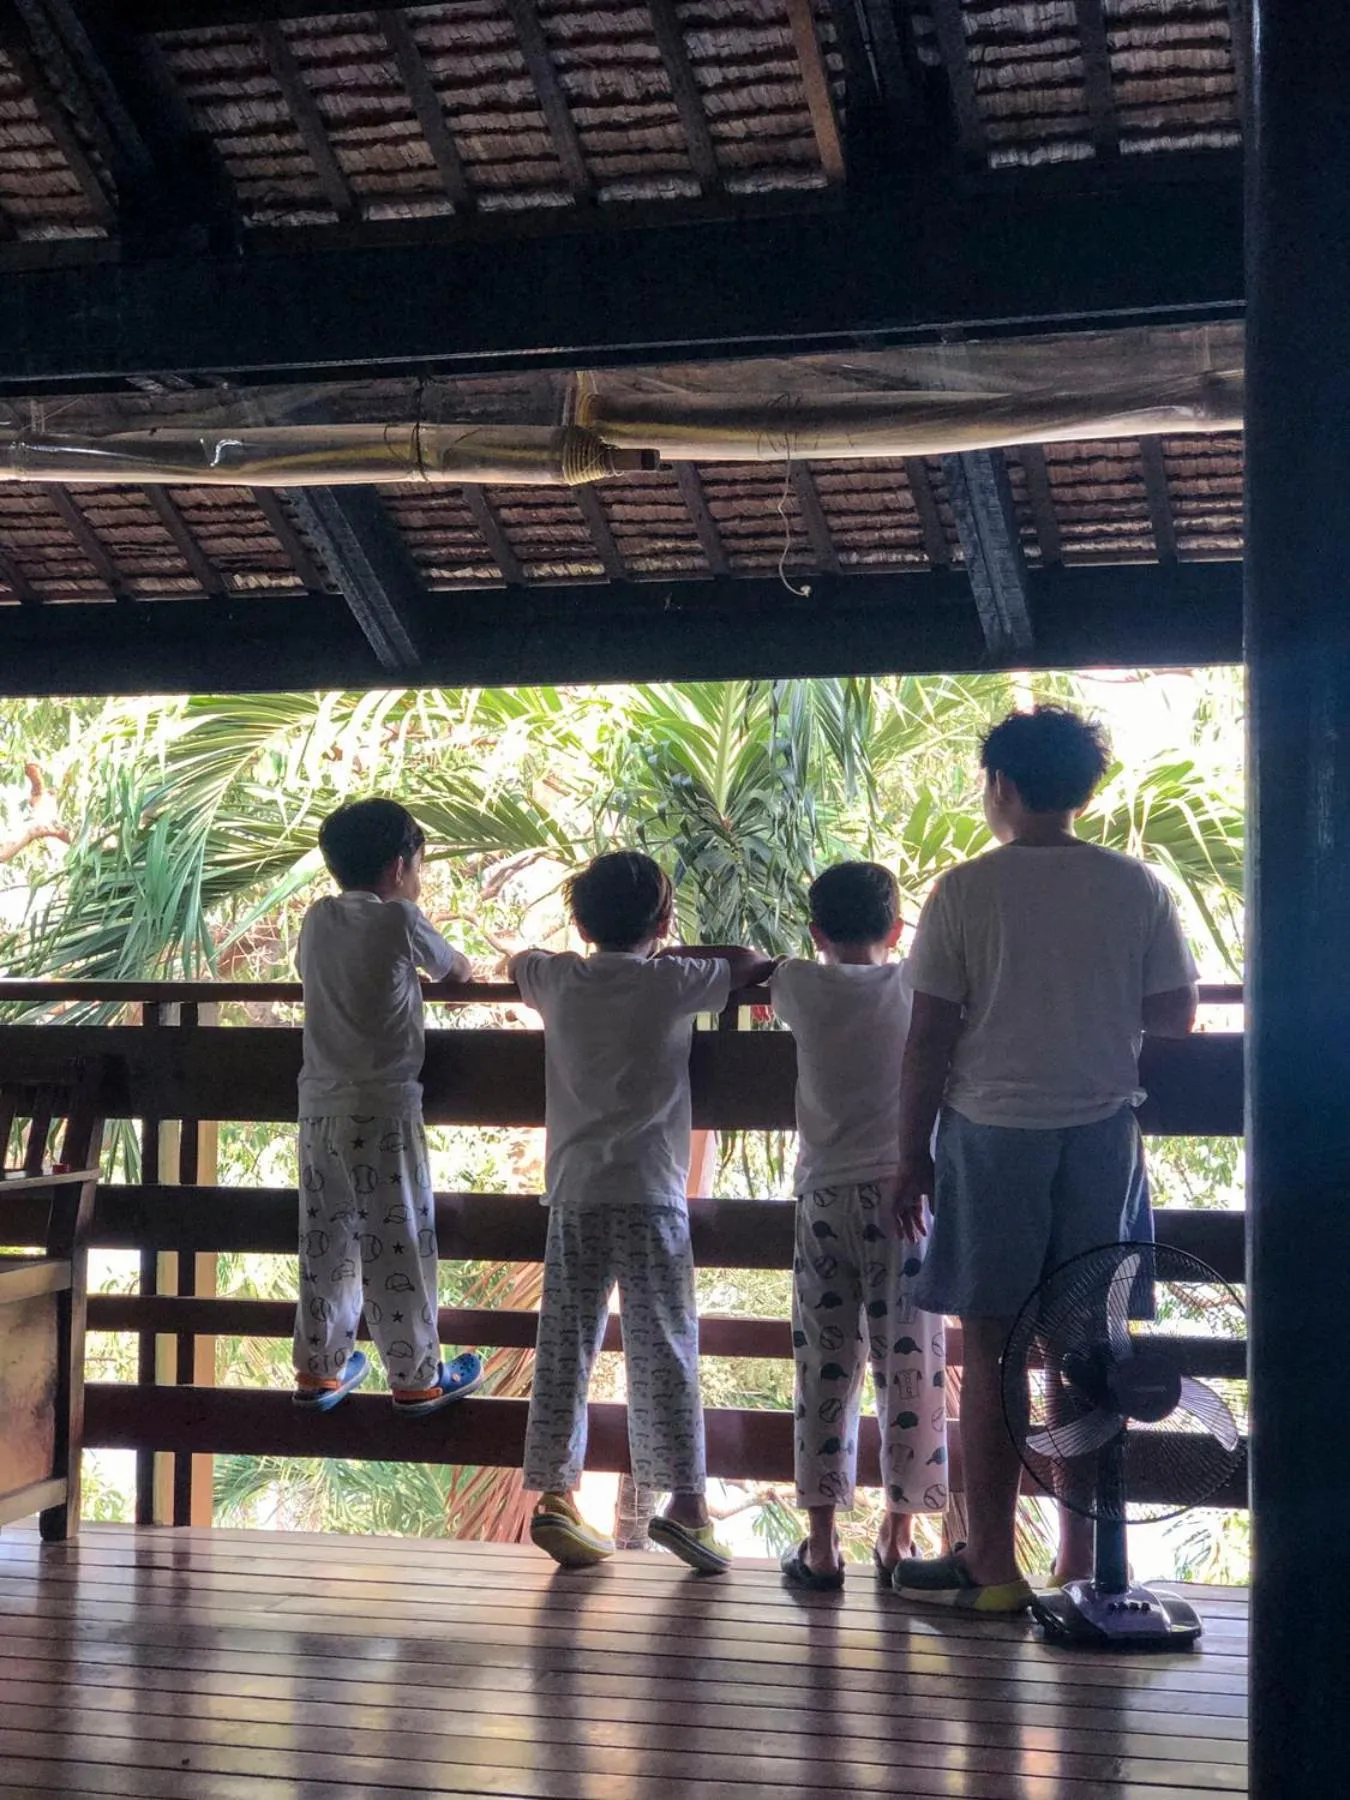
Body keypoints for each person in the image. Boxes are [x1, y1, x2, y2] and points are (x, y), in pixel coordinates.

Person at [891, 706, 1198, 1612]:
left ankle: (991, 1567)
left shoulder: (963, 892)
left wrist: (910, 1155)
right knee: (1090, 1352)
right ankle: (1083, 1567)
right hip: (1103, 1137)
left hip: (990, 1140)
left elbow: (927, 1038)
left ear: (1003, 788)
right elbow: (1174, 1014)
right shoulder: (1135, 887)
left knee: (991, 1352)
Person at [510, 850, 774, 1573]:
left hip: (574, 1192)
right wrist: (673, 946)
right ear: (663, 921)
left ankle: (558, 1495)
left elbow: (518, 962)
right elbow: (750, 962)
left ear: (579, 920)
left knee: (566, 1343)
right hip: (652, 1193)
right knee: (665, 1350)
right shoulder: (675, 981)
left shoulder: (557, 978)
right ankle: (686, 1507)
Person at [771, 861, 947, 1590]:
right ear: (897, 930)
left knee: (824, 1367)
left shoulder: (798, 984)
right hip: (901, 1199)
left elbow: (755, 970)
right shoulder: (913, 986)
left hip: (821, 1202)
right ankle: (899, 1537)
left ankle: (819, 1545)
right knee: (909, 1364)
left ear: (816, 932)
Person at [292, 797, 484, 1415]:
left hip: (319, 1109)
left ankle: (320, 1370)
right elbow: (457, 971)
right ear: (401, 866)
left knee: (326, 1240)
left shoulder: (316, 920)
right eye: (420, 868)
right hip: (385, 1110)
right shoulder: (402, 919)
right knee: (396, 1240)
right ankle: (416, 1376)